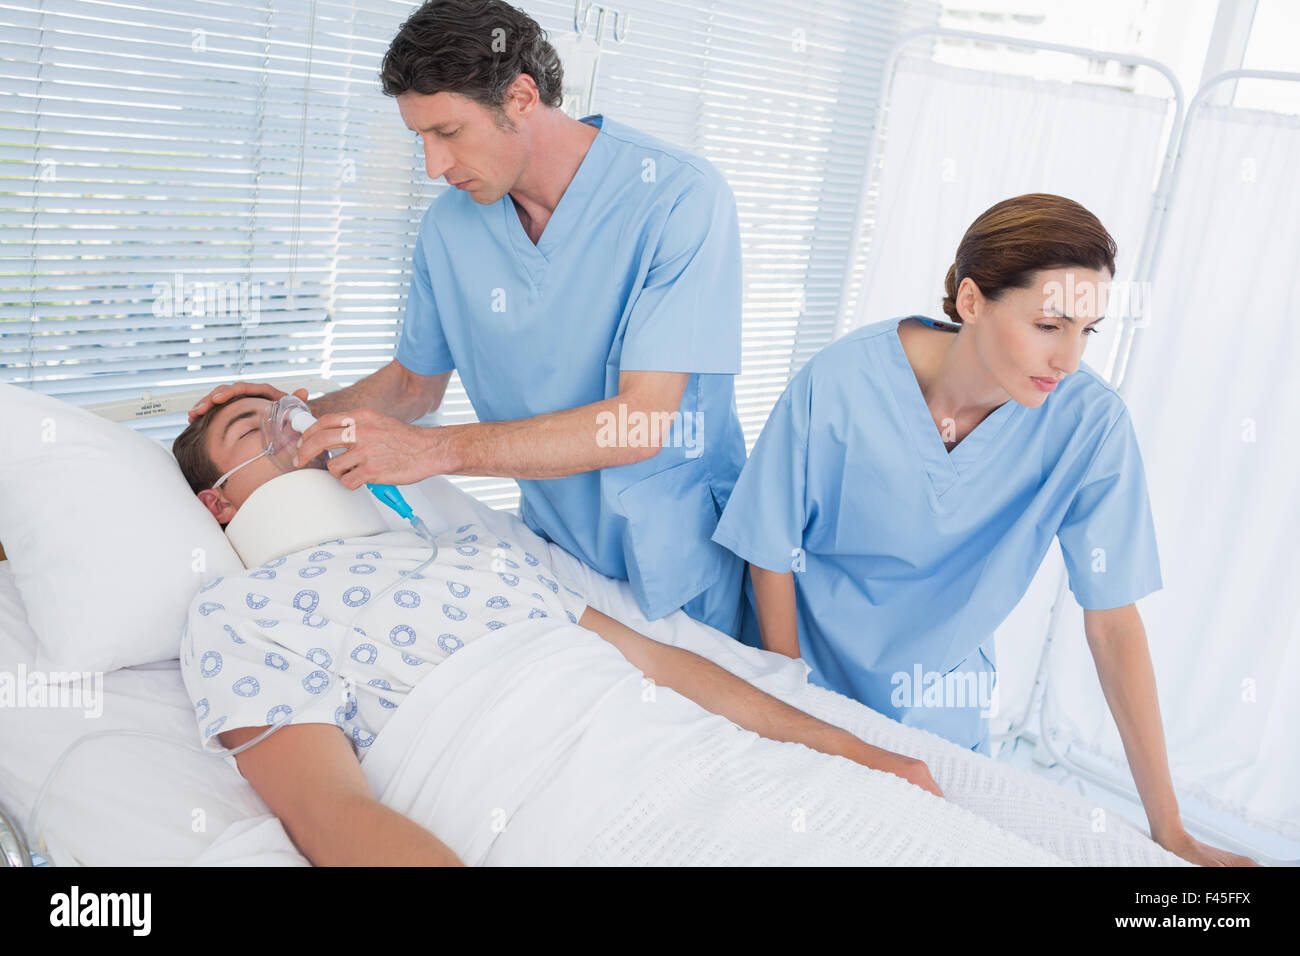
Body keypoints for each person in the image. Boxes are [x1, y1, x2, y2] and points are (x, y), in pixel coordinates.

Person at [710, 193, 1257, 867]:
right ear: (971, 301)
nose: (1069, 360)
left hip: (941, 710)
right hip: (809, 678)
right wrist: (793, 710)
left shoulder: (1088, 425)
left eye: (1088, 331)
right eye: (1050, 325)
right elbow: (770, 550)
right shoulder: (844, 381)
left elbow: (1113, 623)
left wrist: (1169, 830)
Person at [170, 394, 946, 866]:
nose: (293, 430)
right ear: (219, 504)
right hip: (554, 809)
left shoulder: (468, 547)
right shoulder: (238, 614)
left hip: (701, 764)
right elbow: (328, 812)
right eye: (255, 428)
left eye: (296, 414)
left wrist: (861, 753)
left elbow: (662, 666)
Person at [185, 0, 747, 639]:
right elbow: (412, 386)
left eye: (448, 133)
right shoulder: (450, 227)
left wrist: (435, 450)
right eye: (418, 138)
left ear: (521, 97)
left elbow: (639, 423)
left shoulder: (677, 198)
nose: (433, 166)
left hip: (681, 557)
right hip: (557, 548)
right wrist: (285, 417)